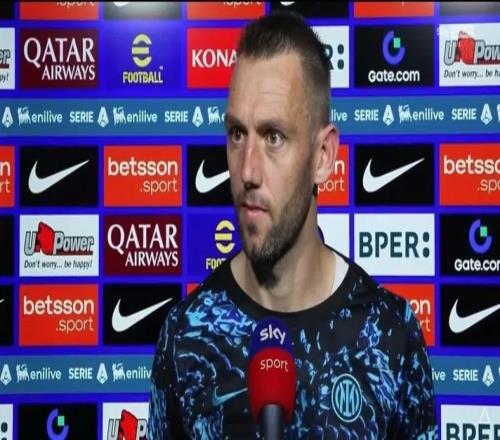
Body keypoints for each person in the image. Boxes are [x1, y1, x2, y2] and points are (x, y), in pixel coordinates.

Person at [148, 11, 437, 439]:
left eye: (274, 137)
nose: (247, 171)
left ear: (323, 157)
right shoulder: (186, 335)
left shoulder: (390, 335)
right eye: (237, 134)